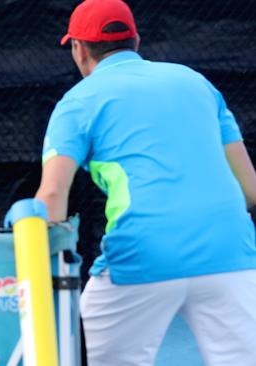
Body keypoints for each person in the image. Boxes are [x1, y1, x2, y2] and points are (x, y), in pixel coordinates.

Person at [34, 0, 256, 365]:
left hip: (142, 254)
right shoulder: (197, 83)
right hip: (230, 249)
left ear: (78, 49)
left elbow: (53, 197)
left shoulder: (76, 102)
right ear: (135, 40)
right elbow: (249, 189)